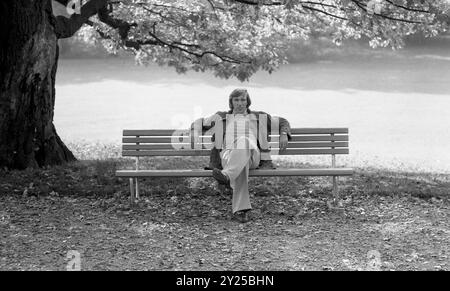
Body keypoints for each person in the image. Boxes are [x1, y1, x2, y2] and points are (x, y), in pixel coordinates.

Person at [191, 89, 291, 223]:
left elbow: (282, 122)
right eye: (236, 100)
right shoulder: (220, 117)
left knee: (244, 141)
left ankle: (227, 176)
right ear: (231, 102)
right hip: (228, 156)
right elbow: (199, 122)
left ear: (247, 101)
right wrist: (194, 132)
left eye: (243, 100)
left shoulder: (259, 116)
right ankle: (240, 210)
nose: (239, 103)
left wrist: (284, 134)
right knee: (240, 165)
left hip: (253, 157)